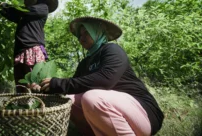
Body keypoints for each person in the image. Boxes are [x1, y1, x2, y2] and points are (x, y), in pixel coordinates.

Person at [30, 16, 164, 136]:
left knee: (92, 98)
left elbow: (106, 80)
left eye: (86, 32)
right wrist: (45, 87)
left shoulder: (112, 50)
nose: (81, 38)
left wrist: (59, 83)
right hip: (111, 112)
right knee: (68, 101)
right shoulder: (84, 63)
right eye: (79, 35)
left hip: (144, 114)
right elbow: (74, 87)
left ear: (97, 32)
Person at [0, 0, 58, 93]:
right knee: (22, 87)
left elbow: (19, 11)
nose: (27, 0)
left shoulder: (42, 8)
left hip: (32, 49)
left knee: (36, 85)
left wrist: (7, 6)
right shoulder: (25, 15)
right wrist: (2, 7)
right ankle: (23, 108)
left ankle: (42, 109)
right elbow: (13, 14)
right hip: (20, 51)